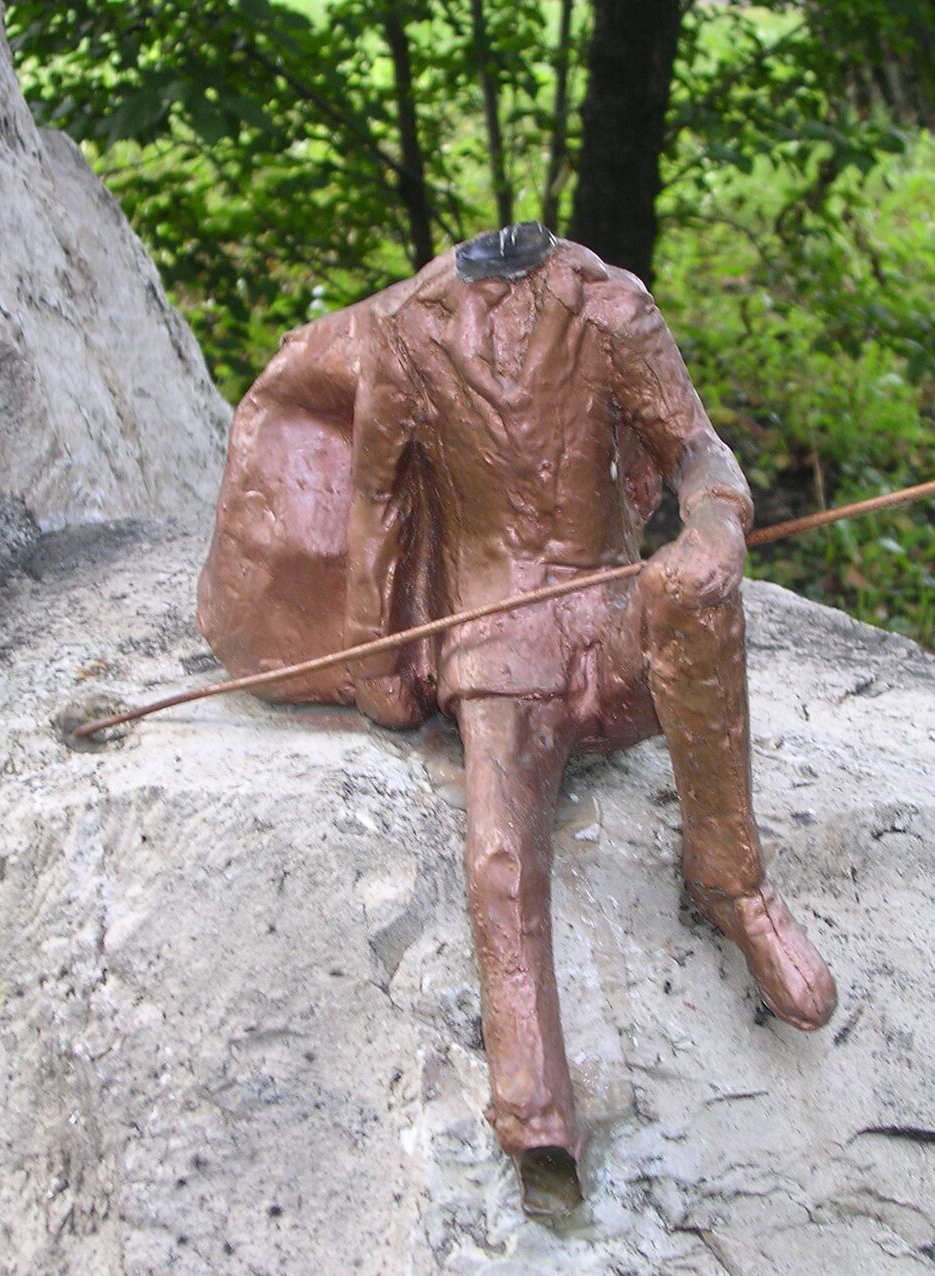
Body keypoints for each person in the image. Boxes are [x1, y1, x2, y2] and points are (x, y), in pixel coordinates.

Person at [199, 223, 837, 1214]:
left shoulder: (611, 309)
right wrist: (379, 669)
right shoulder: (410, 330)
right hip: (497, 644)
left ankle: (732, 879)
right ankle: (535, 1115)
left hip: (610, 615)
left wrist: (714, 524)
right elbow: (378, 503)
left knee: (692, 596)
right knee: (502, 853)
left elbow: (699, 453)